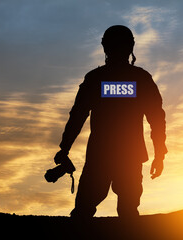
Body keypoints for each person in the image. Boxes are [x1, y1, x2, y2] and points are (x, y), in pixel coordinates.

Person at [54, 25, 167, 219]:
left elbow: (78, 116)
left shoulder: (96, 79)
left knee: (83, 212)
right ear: (130, 46)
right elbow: (157, 119)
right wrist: (159, 153)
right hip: (129, 156)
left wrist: (65, 148)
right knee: (128, 214)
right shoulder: (140, 79)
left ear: (105, 47)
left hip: (100, 155)